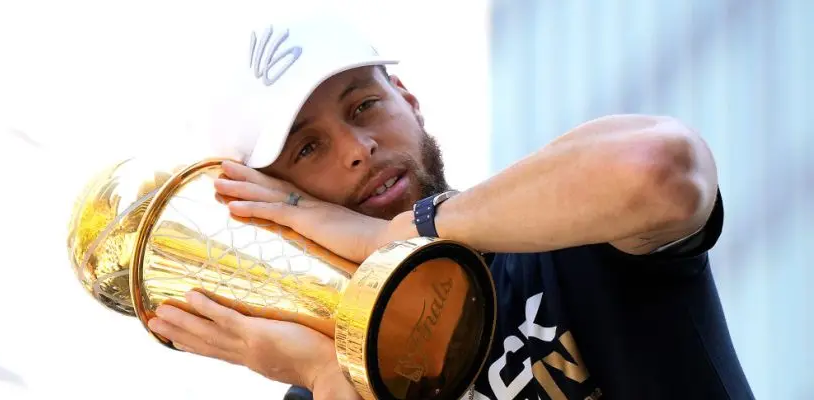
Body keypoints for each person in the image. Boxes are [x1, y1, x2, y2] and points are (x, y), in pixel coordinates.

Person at [145, 10, 754, 400]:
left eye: (363, 106)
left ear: (408, 101)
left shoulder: (560, 226)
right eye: (308, 148)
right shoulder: (321, 379)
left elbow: (660, 169)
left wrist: (409, 233)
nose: (358, 149)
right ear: (272, 203)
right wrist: (326, 377)